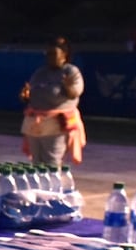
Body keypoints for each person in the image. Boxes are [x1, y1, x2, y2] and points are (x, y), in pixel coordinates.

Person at [19, 35, 87, 166]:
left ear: (64, 55)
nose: (49, 57)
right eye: (48, 53)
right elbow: (30, 94)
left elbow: (75, 94)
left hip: (57, 125)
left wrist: (67, 86)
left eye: (53, 53)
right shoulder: (40, 72)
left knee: (52, 162)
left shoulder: (71, 71)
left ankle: (53, 186)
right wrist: (25, 96)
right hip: (35, 124)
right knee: (36, 162)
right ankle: (39, 186)